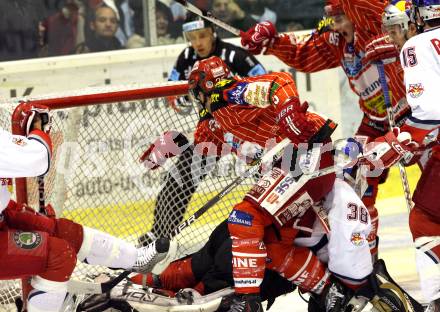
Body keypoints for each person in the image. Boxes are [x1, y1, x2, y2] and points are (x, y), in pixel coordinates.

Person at [187, 56, 422, 312]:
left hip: (318, 190)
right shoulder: (222, 117)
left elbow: (280, 82)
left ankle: (253, 300)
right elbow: (203, 141)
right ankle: (327, 290)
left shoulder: (229, 93)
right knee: (272, 244)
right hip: (303, 194)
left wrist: (389, 145)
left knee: (361, 281)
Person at [239, 0, 413, 261]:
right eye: (334, 19)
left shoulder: (373, 27)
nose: (338, 25)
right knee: (356, 182)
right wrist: (271, 42)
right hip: (377, 121)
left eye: (342, 17)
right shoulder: (337, 41)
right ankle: (369, 261)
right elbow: (305, 54)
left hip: (414, 117)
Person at [0, 103, 169, 312]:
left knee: (62, 230)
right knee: (59, 255)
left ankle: (136, 259)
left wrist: (31, 136)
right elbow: (37, 159)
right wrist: (37, 129)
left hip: (3, 212)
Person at [138, 16, 266, 245]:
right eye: (192, 37)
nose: (198, 42)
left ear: (213, 33)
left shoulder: (235, 56)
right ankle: (160, 233)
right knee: (182, 175)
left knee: (265, 172)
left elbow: (263, 83)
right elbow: (173, 94)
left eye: (203, 35)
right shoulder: (187, 58)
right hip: (212, 131)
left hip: (243, 126)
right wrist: (185, 101)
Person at [361, 1, 440, 310]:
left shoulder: (418, 45)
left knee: (426, 219)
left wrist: (395, 144)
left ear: (416, 18)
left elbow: (430, 116)